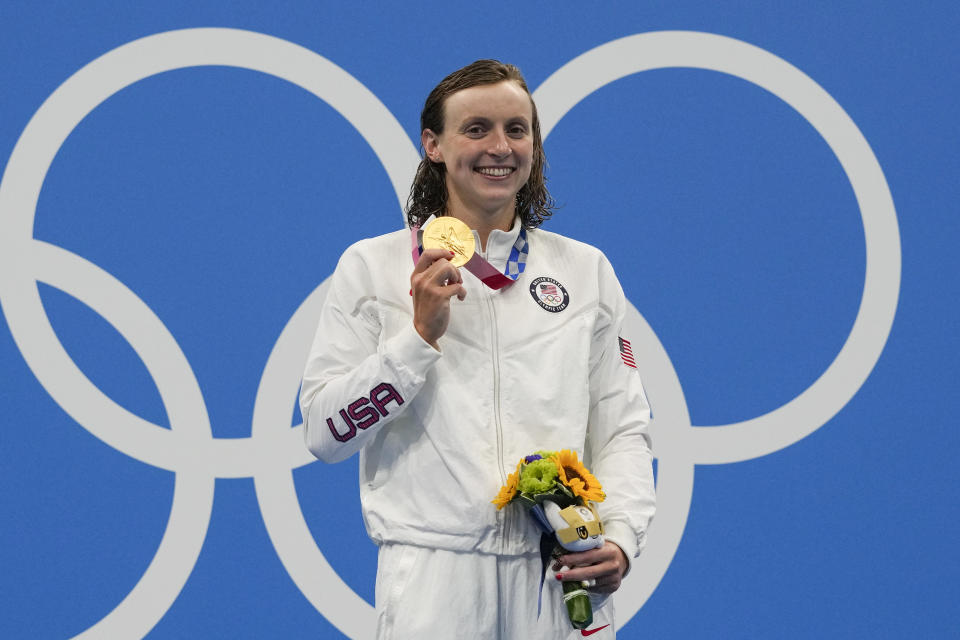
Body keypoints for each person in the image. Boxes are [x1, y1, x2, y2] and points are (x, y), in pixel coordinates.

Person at [300, 59, 655, 639]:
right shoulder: (371, 267)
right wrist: (416, 340)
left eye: (517, 130)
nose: (500, 147)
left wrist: (619, 534)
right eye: (476, 129)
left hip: (560, 571)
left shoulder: (584, 270)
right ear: (433, 145)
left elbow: (623, 428)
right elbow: (323, 433)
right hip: (433, 583)